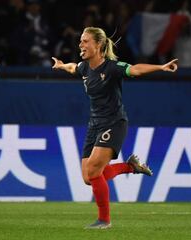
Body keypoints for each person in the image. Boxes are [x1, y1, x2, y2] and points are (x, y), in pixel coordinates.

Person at [52, 26, 178, 229]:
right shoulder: (85, 68)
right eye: (81, 41)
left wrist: (161, 67)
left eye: (85, 41)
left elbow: (135, 69)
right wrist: (60, 66)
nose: (80, 44)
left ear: (99, 45)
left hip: (114, 122)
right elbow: (72, 67)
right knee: (88, 178)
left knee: (93, 171)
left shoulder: (112, 67)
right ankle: (131, 167)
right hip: (94, 124)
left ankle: (104, 220)